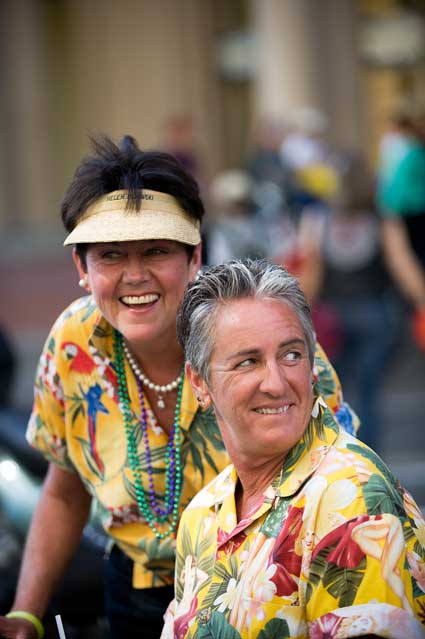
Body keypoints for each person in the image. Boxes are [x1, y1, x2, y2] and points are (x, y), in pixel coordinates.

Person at [0, 136, 357, 639]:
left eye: (156, 251)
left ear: (194, 257)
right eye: (109, 256)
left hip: (264, 582)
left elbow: (343, 474)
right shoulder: (72, 344)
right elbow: (64, 491)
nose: (135, 275)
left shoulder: (262, 332)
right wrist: (25, 613)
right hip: (132, 590)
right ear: (82, 268)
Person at [161, 259, 425, 639]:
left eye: (291, 355)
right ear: (199, 383)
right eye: (248, 362)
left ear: (313, 365)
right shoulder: (203, 513)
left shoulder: (351, 496)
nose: (276, 382)